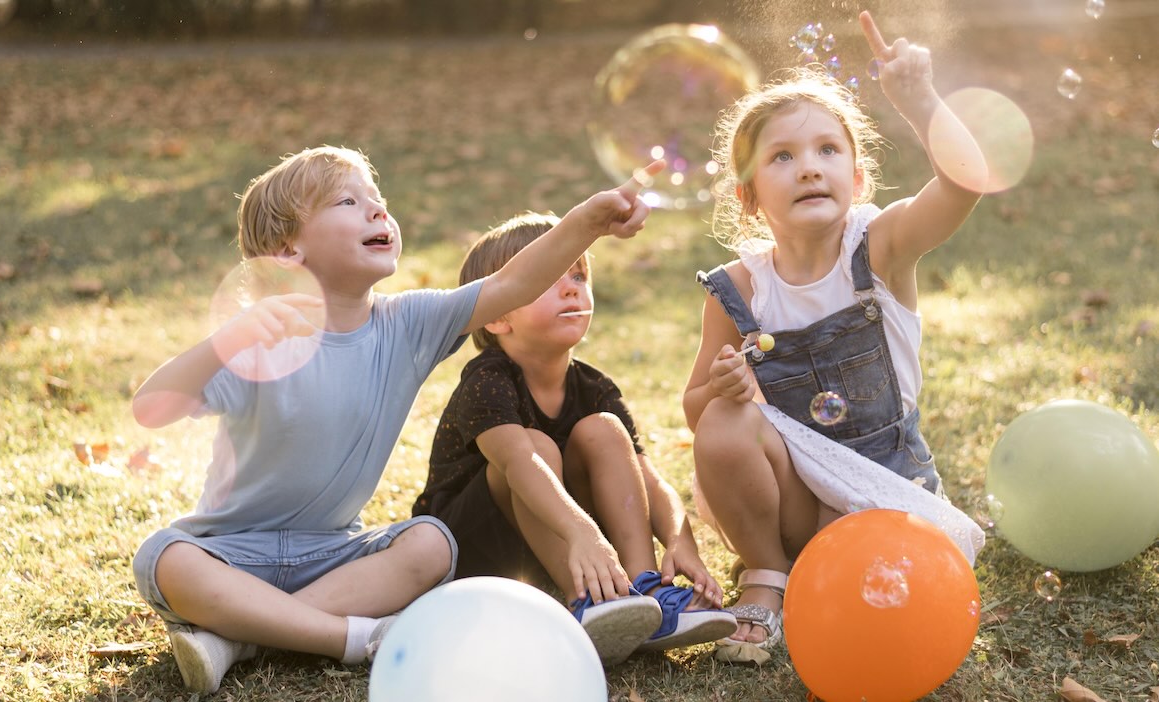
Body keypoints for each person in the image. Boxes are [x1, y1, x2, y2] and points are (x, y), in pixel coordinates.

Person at [130, 145, 663, 693]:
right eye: (347, 201)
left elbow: (510, 286)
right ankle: (349, 638)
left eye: (378, 200)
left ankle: (236, 639)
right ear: (288, 249)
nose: (378, 211)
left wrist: (586, 223)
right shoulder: (254, 341)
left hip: (333, 556)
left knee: (432, 543)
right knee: (165, 557)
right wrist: (228, 339)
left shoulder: (407, 325)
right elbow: (150, 408)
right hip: (231, 553)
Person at [682, 12, 987, 664]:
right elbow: (696, 413)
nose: (808, 168)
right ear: (750, 197)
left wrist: (919, 99)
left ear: (857, 177)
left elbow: (963, 184)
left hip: (884, 492)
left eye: (827, 150)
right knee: (725, 423)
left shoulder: (879, 249)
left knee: (880, 599)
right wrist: (723, 388)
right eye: (782, 157)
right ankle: (767, 572)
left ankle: (820, 575)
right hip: (794, 499)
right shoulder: (739, 289)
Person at [413, 212, 737, 665]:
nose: (571, 287)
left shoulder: (593, 386)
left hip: (568, 540)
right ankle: (588, 602)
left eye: (579, 275)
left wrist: (681, 540)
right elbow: (518, 465)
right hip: (473, 546)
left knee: (603, 429)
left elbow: (647, 476)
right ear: (497, 315)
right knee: (536, 448)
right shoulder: (486, 380)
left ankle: (643, 591)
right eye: (550, 277)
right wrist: (583, 531)